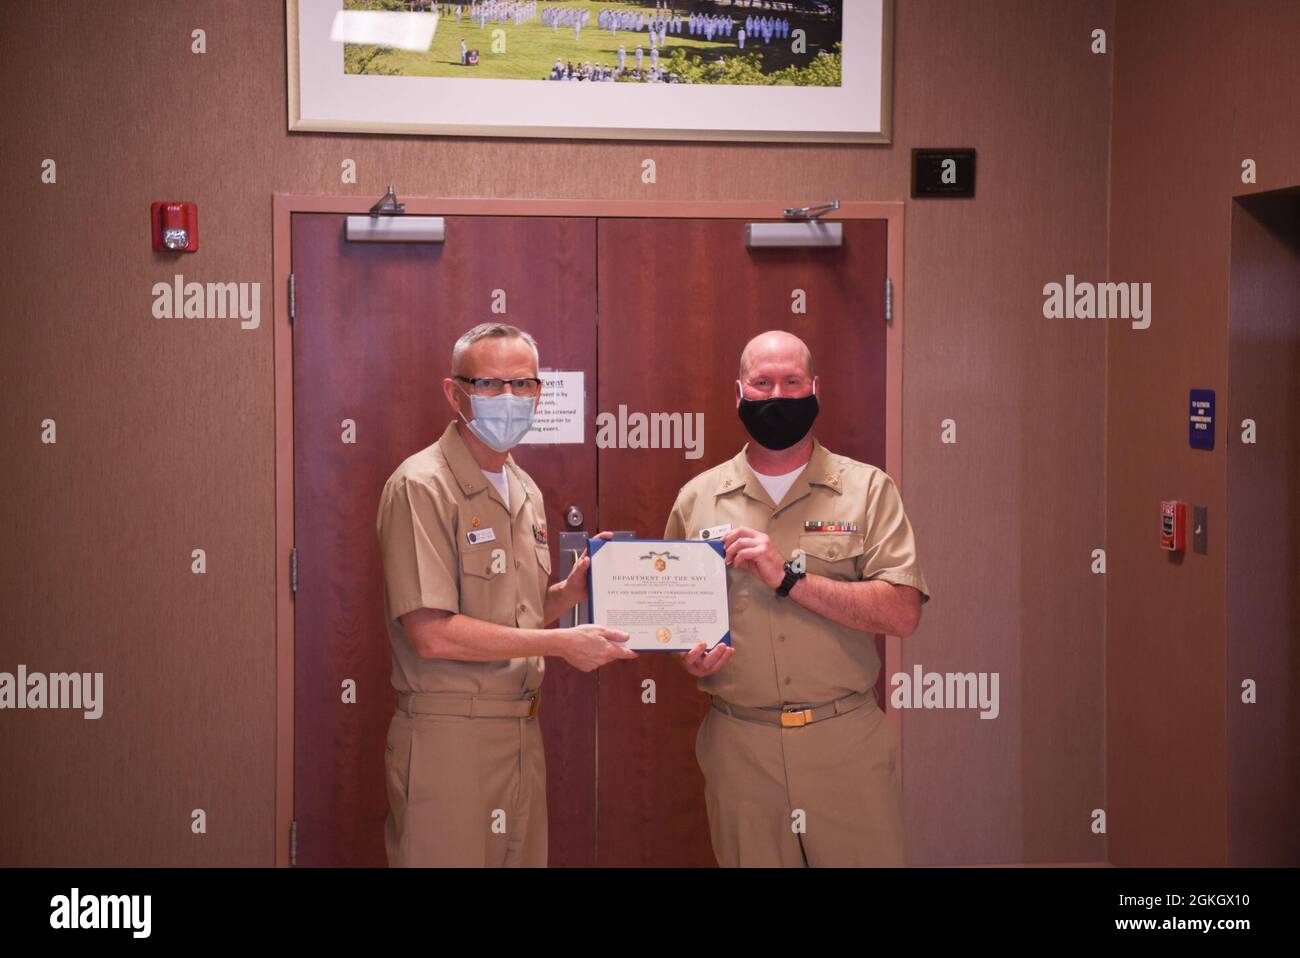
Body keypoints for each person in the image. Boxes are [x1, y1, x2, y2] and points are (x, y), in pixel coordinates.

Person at [663, 330, 931, 868]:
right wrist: (685, 656)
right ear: (738, 393)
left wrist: (788, 578)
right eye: (762, 383)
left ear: (815, 388)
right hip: (741, 745)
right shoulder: (698, 498)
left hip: (845, 743)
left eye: (791, 381)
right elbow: (672, 616)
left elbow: (902, 614)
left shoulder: (869, 489)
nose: (777, 396)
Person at [377, 323, 636, 867]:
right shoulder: (421, 485)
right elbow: (432, 634)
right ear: (455, 393)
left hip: (521, 731)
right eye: (491, 385)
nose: (510, 399)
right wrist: (561, 645)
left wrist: (568, 593)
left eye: (523, 385)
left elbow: (514, 615)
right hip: (449, 738)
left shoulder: (524, 488)